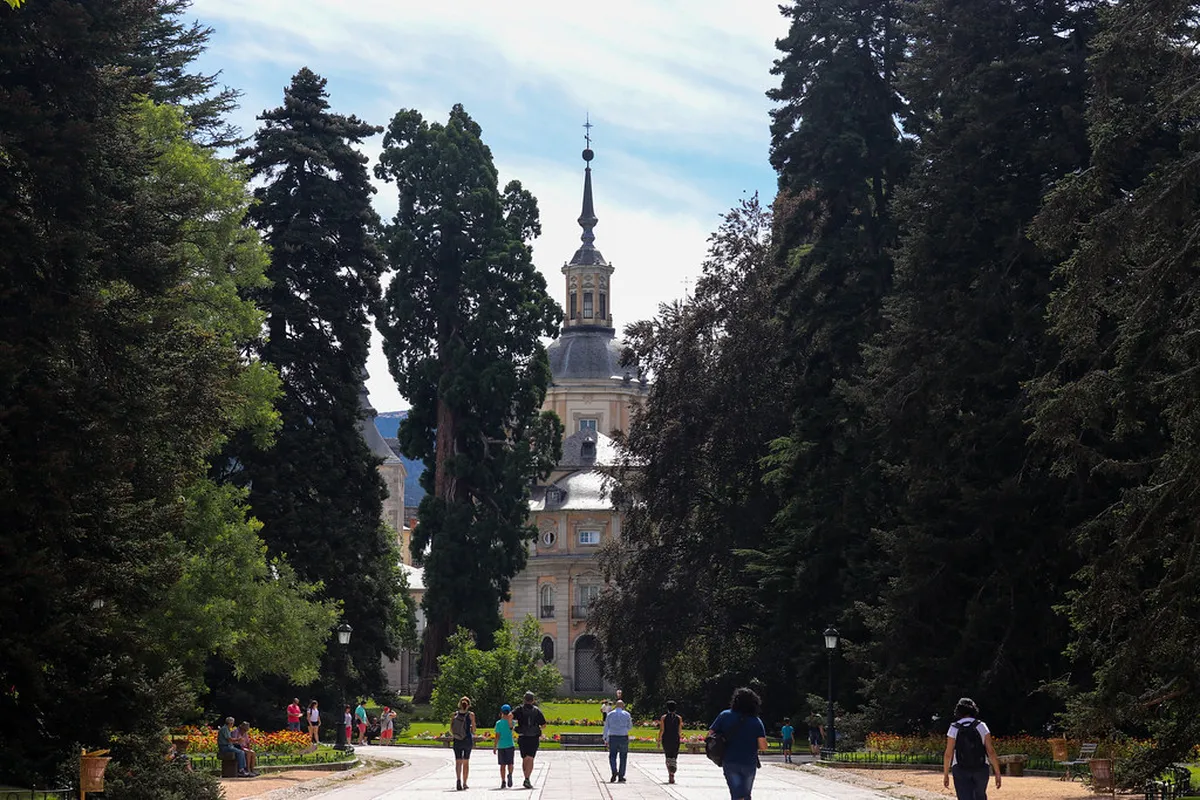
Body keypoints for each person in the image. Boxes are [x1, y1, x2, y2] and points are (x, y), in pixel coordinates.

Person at [709, 687, 768, 800]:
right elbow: (763, 746)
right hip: (749, 762)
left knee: (736, 794)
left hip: (730, 760)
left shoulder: (724, 715)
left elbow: (710, 735)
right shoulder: (756, 721)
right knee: (745, 795)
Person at [943, 697, 1001, 800]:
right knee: (980, 796)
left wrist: (946, 774)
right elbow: (990, 751)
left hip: (960, 768)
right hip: (981, 768)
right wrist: (997, 773)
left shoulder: (954, 728)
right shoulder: (982, 726)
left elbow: (948, 754)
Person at [511, 691, 547, 789]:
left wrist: (512, 727)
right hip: (533, 737)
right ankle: (527, 778)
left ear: (524, 699)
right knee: (530, 758)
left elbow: (510, 716)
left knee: (524, 758)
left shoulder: (519, 709)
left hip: (522, 736)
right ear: (533, 700)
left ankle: (526, 777)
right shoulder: (537, 711)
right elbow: (544, 725)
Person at [603, 699, 634, 783]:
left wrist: (605, 737)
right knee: (623, 756)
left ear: (615, 706)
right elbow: (630, 726)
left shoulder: (610, 714)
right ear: (623, 706)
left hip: (613, 736)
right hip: (623, 736)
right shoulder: (627, 714)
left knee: (612, 756)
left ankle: (614, 771)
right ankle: (621, 775)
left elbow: (606, 727)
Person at [451, 696, 477, 790]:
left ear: (459, 704)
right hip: (467, 740)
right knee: (466, 762)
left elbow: (451, 729)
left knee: (458, 762)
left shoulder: (454, 715)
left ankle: (458, 780)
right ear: (468, 705)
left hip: (457, 740)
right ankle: (465, 783)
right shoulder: (471, 715)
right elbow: (473, 729)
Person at [657, 700, 682, 784]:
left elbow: (662, 730)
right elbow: (679, 731)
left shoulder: (663, 718)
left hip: (666, 739)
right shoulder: (679, 718)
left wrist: (659, 740)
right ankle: (672, 773)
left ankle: (669, 773)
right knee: (674, 757)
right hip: (675, 739)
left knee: (668, 757)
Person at [494, 703, 516, 789]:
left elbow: (497, 736)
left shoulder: (498, 723)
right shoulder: (511, 722)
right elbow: (512, 729)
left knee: (502, 765)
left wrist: (495, 746)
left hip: (501, 746)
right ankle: (510, 774)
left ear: (501, 712)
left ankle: (503, 781)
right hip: (510, 744)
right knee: (510, 763)